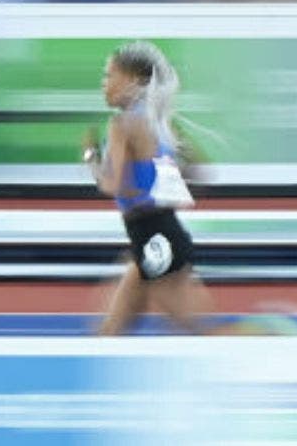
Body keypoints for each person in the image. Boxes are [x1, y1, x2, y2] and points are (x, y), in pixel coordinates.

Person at [88, 41, 214, 335]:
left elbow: (112, 184)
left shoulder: (121, 125)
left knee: (198, 334)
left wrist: (91, 157)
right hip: (158, 234)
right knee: (110, 332)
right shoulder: (162, 122)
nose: (103, 84)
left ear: (132, 81)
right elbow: (199, 172)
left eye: (109, 75)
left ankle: (276, 341)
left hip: (154, 239)